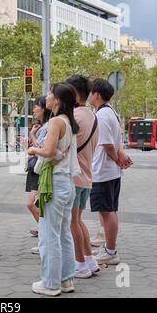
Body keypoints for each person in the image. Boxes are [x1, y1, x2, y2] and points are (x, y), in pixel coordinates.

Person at [28, 83, 81, 297]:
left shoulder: (56, 121)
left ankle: (50, 284)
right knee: (63, 233)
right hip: (67, 182)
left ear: (57, 100)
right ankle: (66, 279)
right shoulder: (69, 122)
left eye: (50, 94)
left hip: (55, 182)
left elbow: (49, 151)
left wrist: (33, 148)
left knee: (49, 234)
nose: (47, 97)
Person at [88, 78, 133, 266]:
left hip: (103, 171)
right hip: (109, 171)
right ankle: (108, 246)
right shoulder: (111, 112)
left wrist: (117, 159)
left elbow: (107, 144)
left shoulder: (103, 116)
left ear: (97, 94)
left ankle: (111, 251)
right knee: (108, 210)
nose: (88, 94)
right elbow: (117, 142)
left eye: (91, 92)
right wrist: (119, 157)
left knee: (107, 211)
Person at [66, 75, 101, 278]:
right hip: (87, 176)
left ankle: (80, 264)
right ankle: (89, 260)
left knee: (73, 222)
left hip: (74, 176)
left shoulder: (75, 116)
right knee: (78, 221)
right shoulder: (91, 115)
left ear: (74, 92)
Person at [25, 97, 52, 243]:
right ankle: (42, 230)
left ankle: (44, 232)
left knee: (32, 204)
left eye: (36, 107)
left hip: (39, 170)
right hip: (36, 169)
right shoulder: (43, 126)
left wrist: (32, 136)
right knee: (36, 204)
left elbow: (40, 149)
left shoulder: (47, 127)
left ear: (43, 109)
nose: (34, 110)